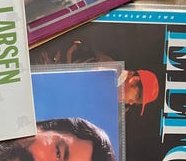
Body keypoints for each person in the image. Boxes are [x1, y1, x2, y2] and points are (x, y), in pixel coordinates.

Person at [30, 38, 160, 115]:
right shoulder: (107, 67)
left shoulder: (115, 107)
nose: (131, 102)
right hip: (38, 74)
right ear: (134, 80)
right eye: (136, 97)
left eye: (136, 103)